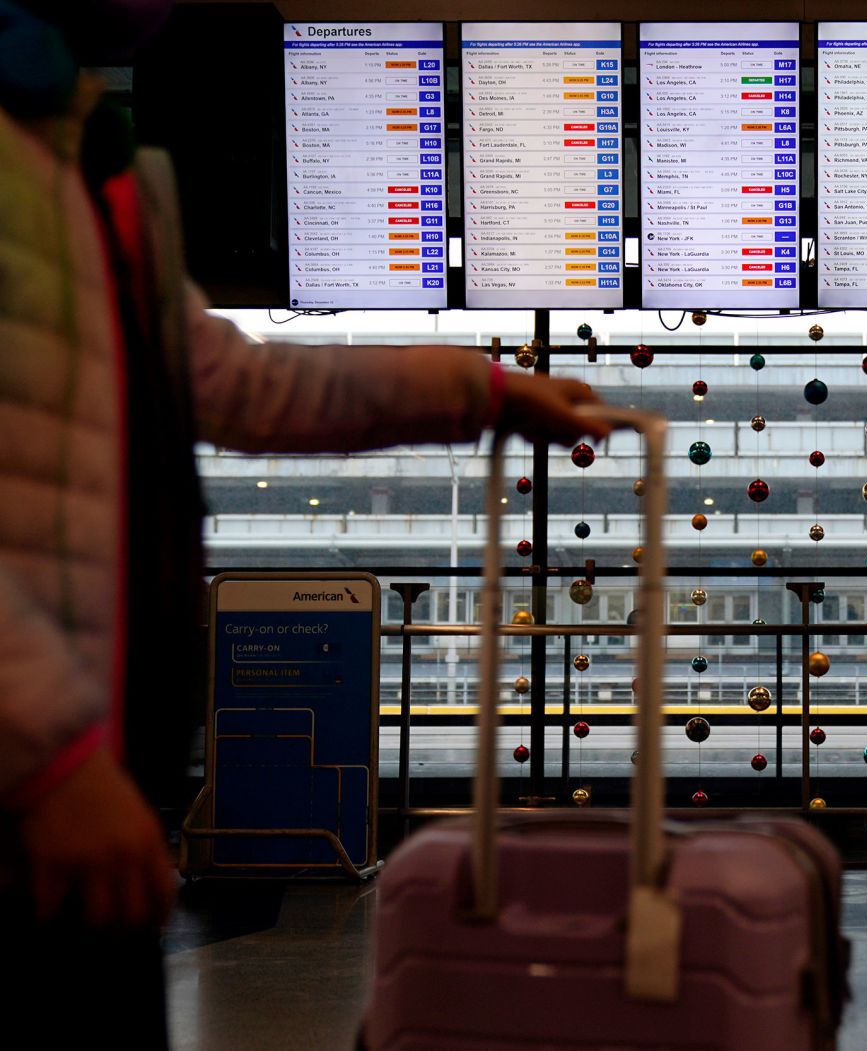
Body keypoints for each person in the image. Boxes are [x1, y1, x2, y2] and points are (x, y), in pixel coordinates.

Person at [0, 2, 607, 1041]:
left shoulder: (83, 166)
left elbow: (239, 381)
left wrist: (486, 393)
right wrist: (46, 757)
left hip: (102, 774)